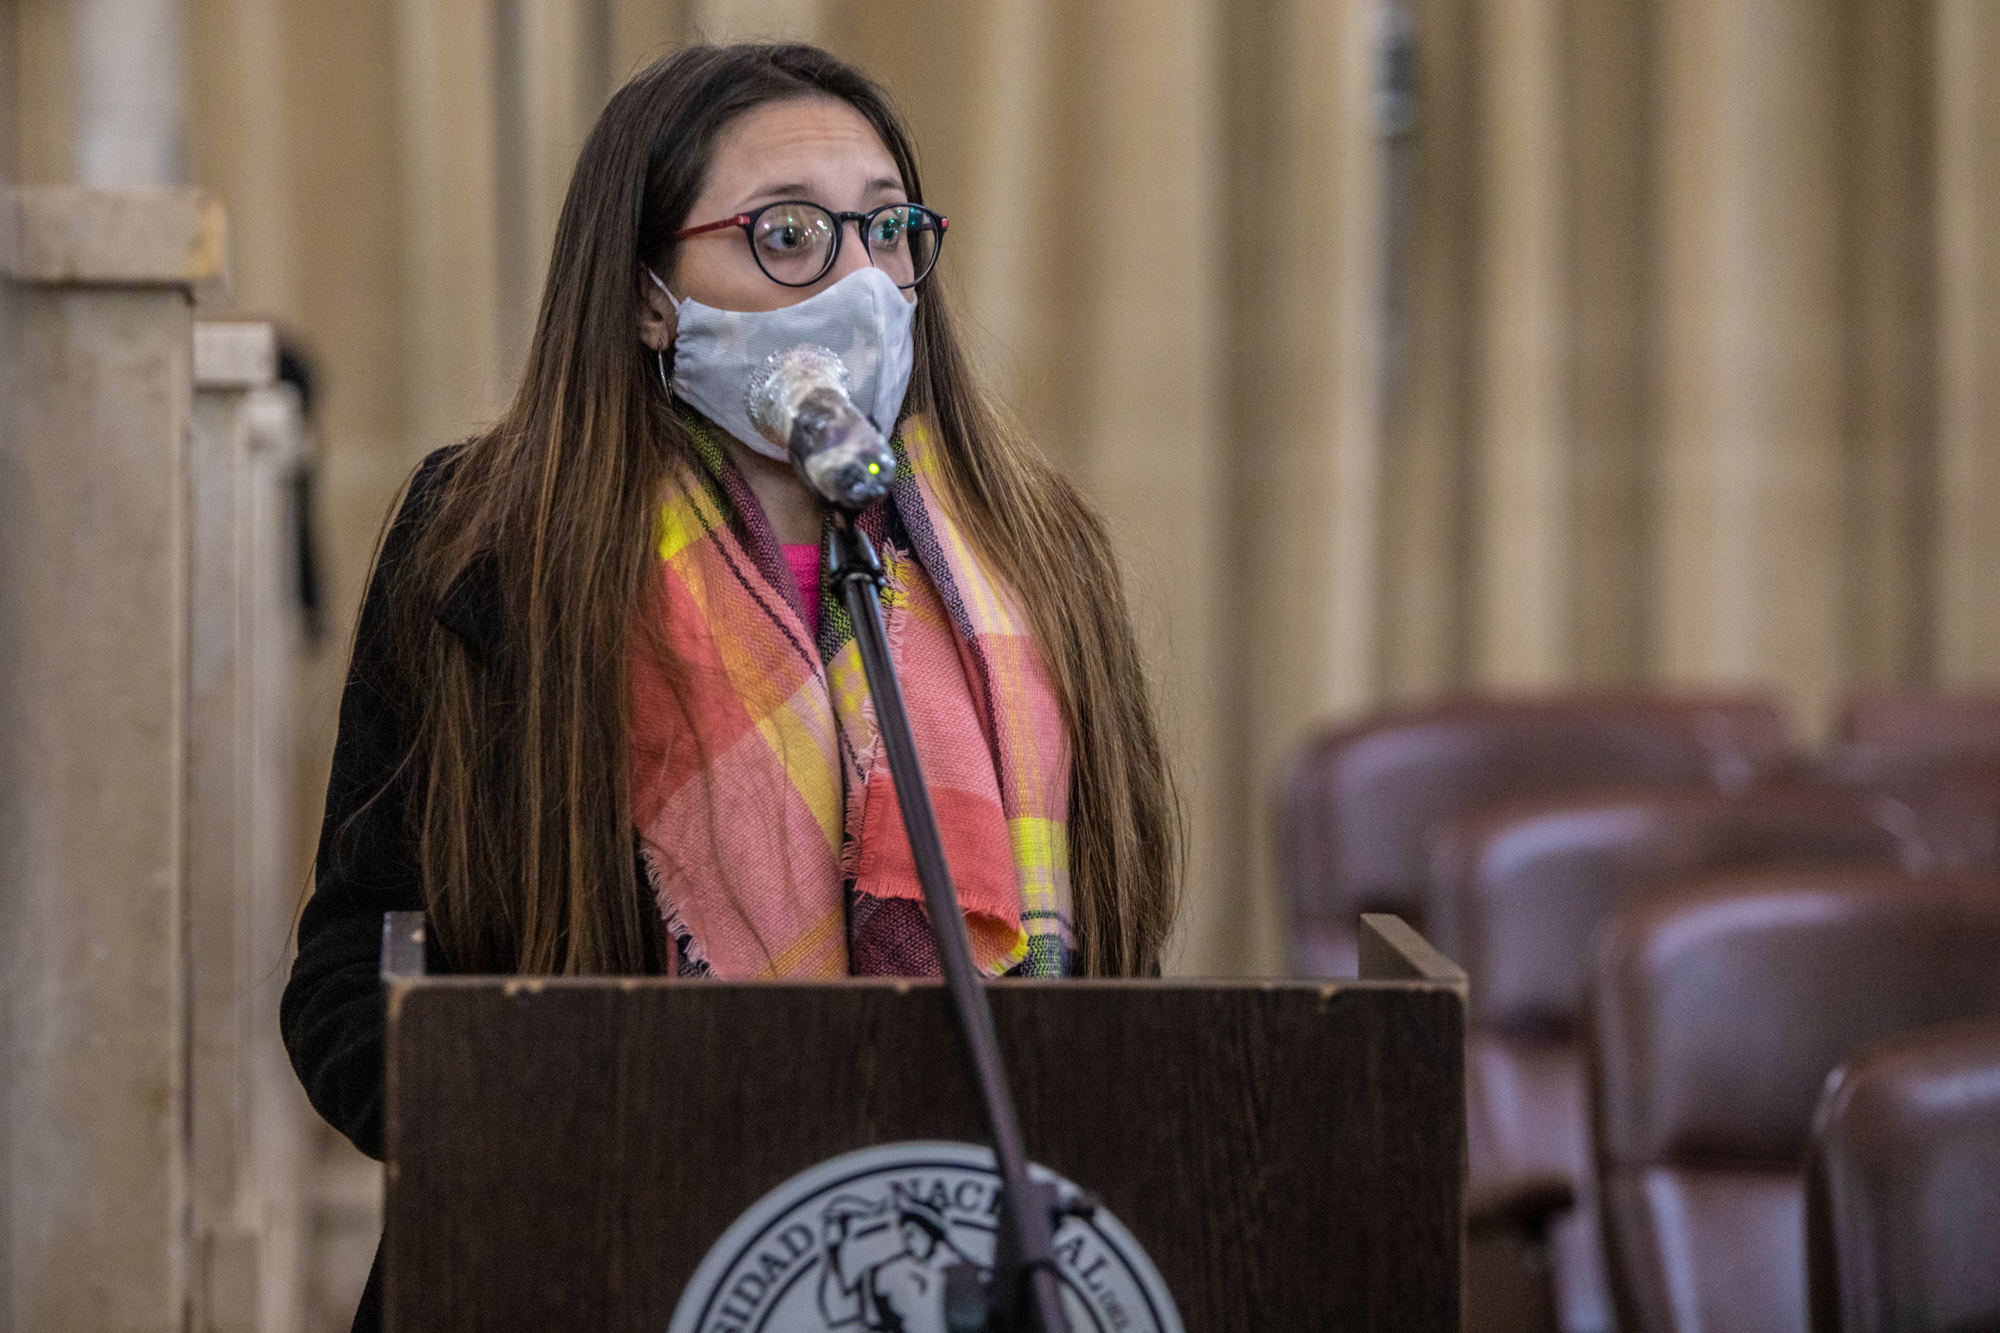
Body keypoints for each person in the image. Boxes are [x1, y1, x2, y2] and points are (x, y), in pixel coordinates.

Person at [281, 41, 1180, 1331]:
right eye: (788, 235)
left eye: (887, 229)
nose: (859, 281)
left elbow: (1124, 974)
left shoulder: (1037, 551)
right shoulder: (493, 543)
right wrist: (541, 1141)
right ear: (648, 295)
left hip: (954, 1259)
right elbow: (346, 978)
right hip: (589, 1259)